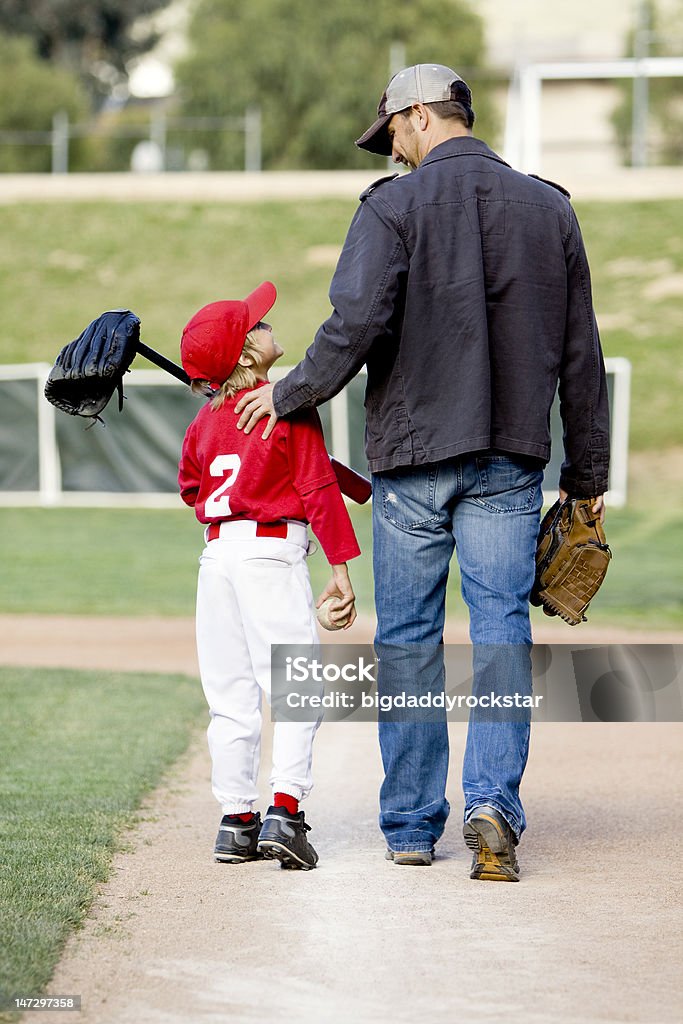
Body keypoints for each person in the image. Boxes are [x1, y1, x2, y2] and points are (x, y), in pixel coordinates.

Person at [233, 65, 610, 881]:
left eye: (393, 133)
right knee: (502, 630)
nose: (393, 150)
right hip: (510, 457)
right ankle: (492, 806)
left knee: (407, 641)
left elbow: (356, 321)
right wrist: (587, 478)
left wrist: (289, 393)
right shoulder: (549, 208)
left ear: (417, 117)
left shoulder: (390, 206)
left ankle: (410, 826)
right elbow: (582, 355)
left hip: (411, 461)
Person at [178, 281, 360, 870]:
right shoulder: (288, 403)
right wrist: (341, 571)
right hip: (270, 558)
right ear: (249, 356)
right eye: (257, 325)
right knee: (296, 688)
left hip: (217, 561)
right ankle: (285, 812)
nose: (267, 325)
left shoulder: (205, 421)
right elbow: (315, 489)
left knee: (230, 699)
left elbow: (191, 488)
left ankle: (236, 822)